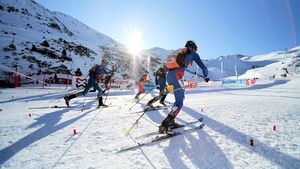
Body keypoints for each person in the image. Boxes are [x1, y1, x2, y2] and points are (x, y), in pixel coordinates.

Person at [159, 40, 209, 133]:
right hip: (177, 76)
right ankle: (165, 124)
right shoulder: (193, 54)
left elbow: (166, 67)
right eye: (195, 49)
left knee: (177, 99)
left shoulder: (178, 53)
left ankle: (171, 121)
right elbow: (203, 67)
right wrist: (206, 76)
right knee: (179, 101)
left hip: (169, 76)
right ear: (193, 48)